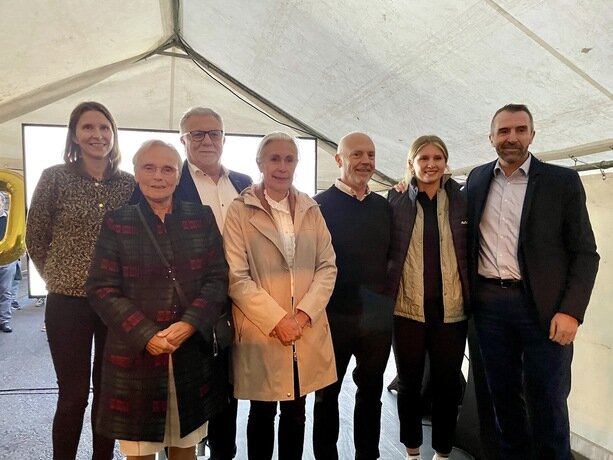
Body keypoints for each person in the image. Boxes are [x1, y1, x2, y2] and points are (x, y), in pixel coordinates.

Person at [465, 104, 600, 459]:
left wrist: (571, 311)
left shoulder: (562, 182)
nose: (512, 137)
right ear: (491, 137)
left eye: (520, 130)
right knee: (503, 402)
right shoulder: (477, 180)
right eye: (504, 131)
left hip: (543, 309)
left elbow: (586, 254)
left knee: (548, 402)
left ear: (532, 135)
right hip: (490, 308)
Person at [86, 140, 229, 460]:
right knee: (140, 453)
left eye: (168, 168)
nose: (158, 176)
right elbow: (102, 288)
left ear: (179, 176)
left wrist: (189, 324)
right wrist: (146, 334)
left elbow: (218, 278)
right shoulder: (117, 221)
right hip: (134, 356)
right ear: (136, 173)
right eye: (149, 168)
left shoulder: (201, 216)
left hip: (189, 352)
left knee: (185, 447)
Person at [130, 107, 251, 460]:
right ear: (183, 140)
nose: (206, 140)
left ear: (225, 139)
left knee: (228, 390)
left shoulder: (244, 183)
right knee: (182, 397)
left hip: (241, 303)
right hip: (186, 309)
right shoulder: (166, 180)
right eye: (196, 134)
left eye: (214, 133)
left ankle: (222, 453)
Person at [25, 101, 136, 459]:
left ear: (114, 134)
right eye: (88, 127)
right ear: (75, 134)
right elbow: (36, 237)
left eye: (104, 128)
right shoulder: (54, 177)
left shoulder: (129, 185)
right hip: (67, 304)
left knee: (108, 395)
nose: (97, 135)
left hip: (116, 305)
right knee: (73, 396)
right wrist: (59, 276)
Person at [223, 131, 337, 460]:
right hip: (263, 329)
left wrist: (302, 316)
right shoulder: (240, 210)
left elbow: (327, 266)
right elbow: (236, 275)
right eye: (274, 158)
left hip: (305, 328)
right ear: (260, 162)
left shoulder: (311, 209)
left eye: (289, 159)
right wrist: (277, 320)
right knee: (261, 412)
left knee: (296, 412)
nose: (282, 166)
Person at [313, 132, 394, 460]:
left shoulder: (385, 206)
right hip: (331, 315)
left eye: (371, 155)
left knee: (372, 392)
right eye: (357, 154)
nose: (365, 161)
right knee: (325, 395)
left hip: (376, 314)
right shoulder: (318, 205)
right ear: (339, 159)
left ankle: (367, 455)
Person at [387, 135, 469, 460]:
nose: (431, 164)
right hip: (406, 310)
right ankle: (412, 452)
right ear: (412, 163)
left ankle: (442, 453)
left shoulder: (462, 199)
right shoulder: (396, 201)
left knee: (447, 385)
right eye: (424, 158)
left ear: (445, 162)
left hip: (452, 312)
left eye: (438, 157)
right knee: (408, 384)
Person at [0, 193, 17, 333]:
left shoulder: (10, 220)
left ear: (2, 203)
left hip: (7, 261)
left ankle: (4, 320)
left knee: (6, 290)